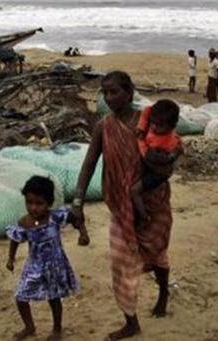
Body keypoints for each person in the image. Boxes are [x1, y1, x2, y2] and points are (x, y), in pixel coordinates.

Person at [73, 71, 175, 340]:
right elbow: (88, 164)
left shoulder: (149, 121)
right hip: (120, 207)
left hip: (154, 202)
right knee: (121, 263)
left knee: (157, 254)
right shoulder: (103, 127)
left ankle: (164, 292)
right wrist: (77, 201)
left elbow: (170, 153)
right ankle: (131, 322)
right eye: (105, 93)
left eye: (114, 92)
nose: (109, 98)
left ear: (129, 91)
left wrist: (153, 178)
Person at [6, 176, 89, 341]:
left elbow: (76, 217)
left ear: (49, 203)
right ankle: (29, 326)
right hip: (34, 266)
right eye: (29, 202)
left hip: (55, 265)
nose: (33, 208)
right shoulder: (25, 222)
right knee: (21, 296)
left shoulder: (55, 217)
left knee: (54, 298)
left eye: (39, 203)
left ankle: (57, 329)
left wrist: (83, 234)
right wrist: (10, 258)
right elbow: (15, 239)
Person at [131, 100, 182, 222]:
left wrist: (140, 139)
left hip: (158, 173)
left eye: (159, 126)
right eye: (153, 123)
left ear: (171, 127)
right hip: (154, 165)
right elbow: (147, 110)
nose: (154, 127)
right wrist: (141, 127)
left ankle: (143, 216)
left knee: (134, 191)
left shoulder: (167, 142)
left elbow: (147, 155)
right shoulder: (156, 126)